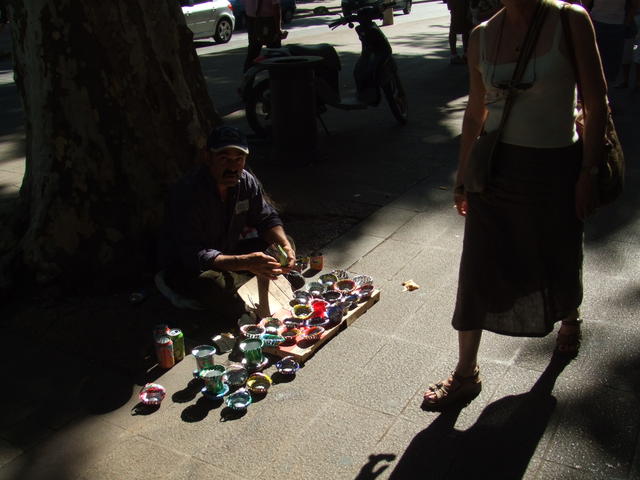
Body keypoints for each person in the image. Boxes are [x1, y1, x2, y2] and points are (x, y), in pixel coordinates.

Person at [423, 0, 608, 407]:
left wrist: (589, 172)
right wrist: (462, 178)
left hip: (555, 167)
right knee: (477, 265)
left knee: (557, 251)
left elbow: (596, 102)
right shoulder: (482, 35)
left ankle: (570, 317)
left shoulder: (569, 20)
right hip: (495, 170)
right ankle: (466, 373)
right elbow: (475, 112)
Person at [158, 125, 295, 321]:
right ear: (207, 157)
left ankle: (255, 280)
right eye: (224, 159)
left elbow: (266, 218)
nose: (232, 167)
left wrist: (285, 246)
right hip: (192, 266)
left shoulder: (246, 182)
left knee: (282, 243)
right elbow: (194, 254)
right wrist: (244, 263)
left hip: (228, 250)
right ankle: (252, 284)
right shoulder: (187, 194)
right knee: (213, 285)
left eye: (238, 159)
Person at [583, 0, 639, 83]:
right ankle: (604, 90)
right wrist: (626, 23)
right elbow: (635, 5)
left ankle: (593, 89)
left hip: (597, 23)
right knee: (611, 66)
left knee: (593, 62)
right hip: (615, 25)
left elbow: (584, 4)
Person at [243, 0, 284, 72]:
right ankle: (276, 78)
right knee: (275, 53)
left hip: (252, 19)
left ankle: (247, 78)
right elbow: (276, 6)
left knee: (253, 52)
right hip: (268, 21)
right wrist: (278, 29)